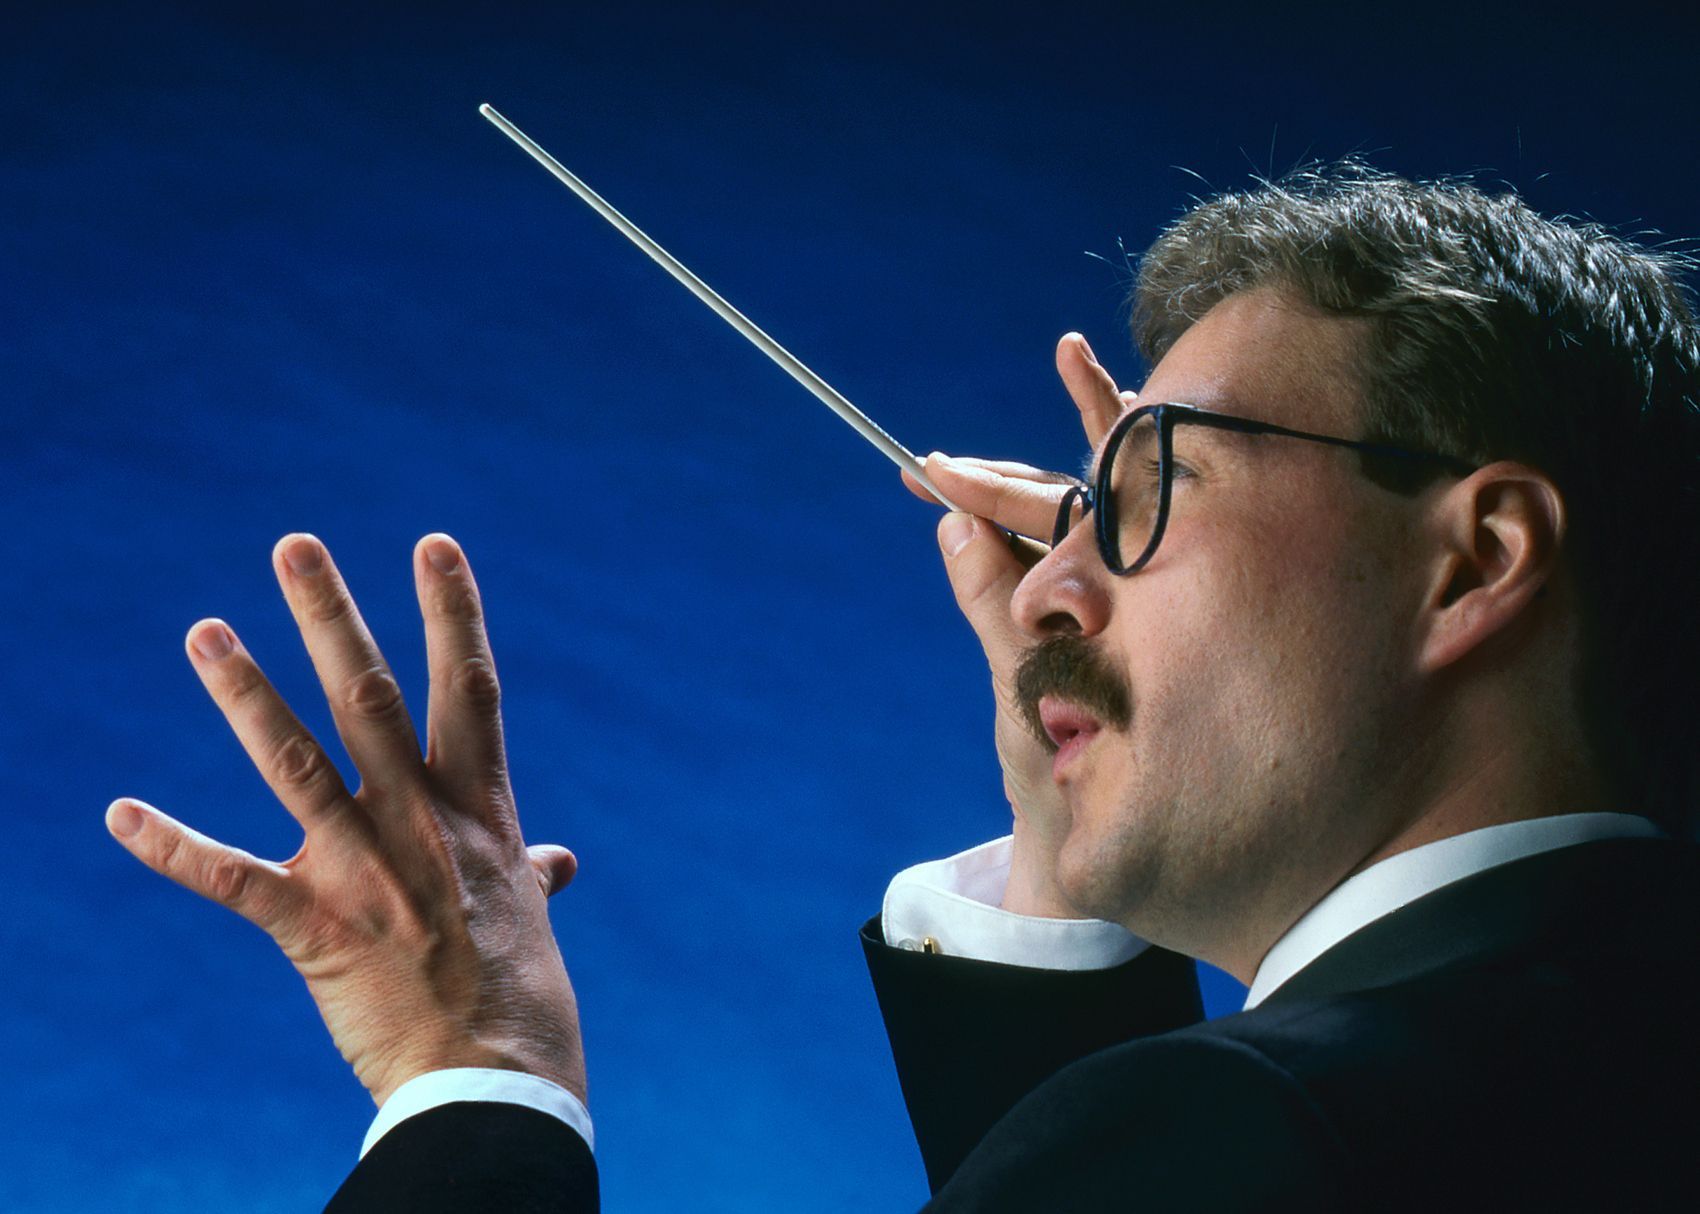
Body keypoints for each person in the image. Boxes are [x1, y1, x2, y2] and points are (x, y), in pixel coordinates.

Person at [106, 164, 1699, 1210]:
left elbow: (1208, 1145)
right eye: (1078, 506)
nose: (1054, 590)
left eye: (1156, 483)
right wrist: (1066, 818)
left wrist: (475, 1061)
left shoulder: (1246, 1141)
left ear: (1479, 555)